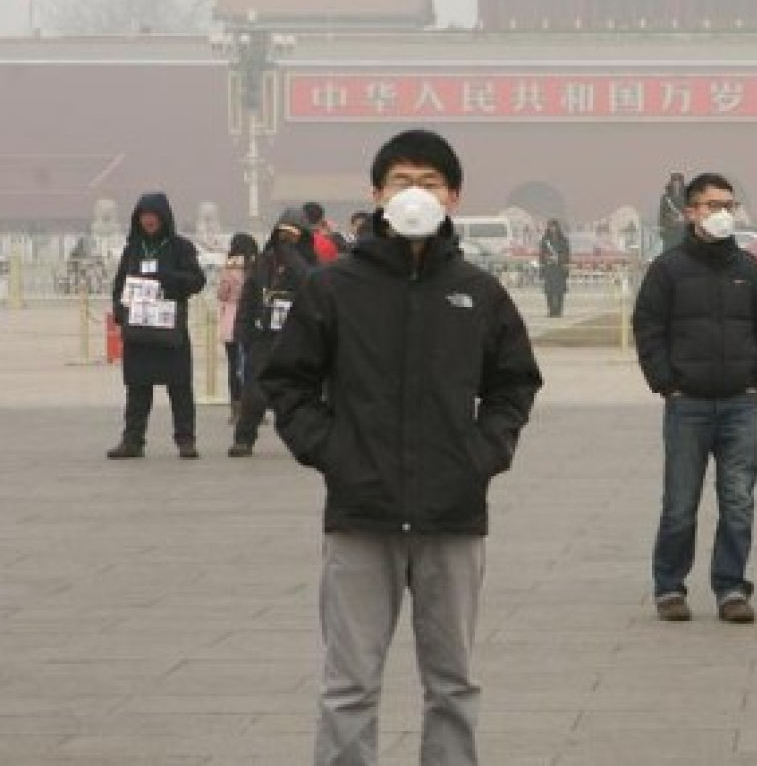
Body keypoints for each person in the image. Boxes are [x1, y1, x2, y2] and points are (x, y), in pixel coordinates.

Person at [260, 129, 542, 766]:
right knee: (349, 685)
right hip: (361, 514)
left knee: (453, 684)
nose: (415, 193)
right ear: (377, 193)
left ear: (455, 195)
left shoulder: (479, 292)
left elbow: (514, 383)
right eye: (401, 181)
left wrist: (483, 455)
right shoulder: (334, 289)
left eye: (430, 182)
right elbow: (287, 380)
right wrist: (331, 450)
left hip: (453, 516)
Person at [632, 172, 757, 624]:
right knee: (681, 502)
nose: (722, 214)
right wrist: (666, 382)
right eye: (713, 205)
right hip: (688, 404)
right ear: (691, 211)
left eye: (728, 206)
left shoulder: (748, 270)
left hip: (740, 402)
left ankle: (731, 587)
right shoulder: (669, 269)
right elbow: (649, 328)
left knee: (738, 500)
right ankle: (669, 587)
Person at [107, 192, 207, 459]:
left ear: (164, 218)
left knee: (180, 387)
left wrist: (168, 278)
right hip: (139, 330)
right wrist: (120, 310)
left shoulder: (180, 247)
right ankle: (133, 440)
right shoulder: (133, 249)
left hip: (170, 329)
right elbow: (119, 285)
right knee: (137, 388)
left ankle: (185, 440)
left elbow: (197, 280)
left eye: (153, 216)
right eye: (144, 216)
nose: (148, 221)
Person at [229, 209, 317, 457]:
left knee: (299, 394)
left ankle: (306, 441)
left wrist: (293, 258)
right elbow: (248, 298)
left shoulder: (310, 263)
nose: (287, 239)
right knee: (254, 392)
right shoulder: (263, 262)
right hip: (264, 336)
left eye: (293, 234)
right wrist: (242, 333)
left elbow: (311, 284)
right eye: (283, 234)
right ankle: (244, 438)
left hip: (298, 338)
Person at [217, 231, 259, 425]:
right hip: (252, 318)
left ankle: (236, 409)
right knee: (253, 365)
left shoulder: (230, 266)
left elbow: (222, 294)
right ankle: (255, 408)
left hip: (232, 319)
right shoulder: (258, 266)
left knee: (234, 366)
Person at [538, 219, 571, 318]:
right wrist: (545, 261)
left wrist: (560, 259)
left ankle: (559, 311)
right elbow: (541, 255)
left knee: (560, 291)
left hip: (559, 268)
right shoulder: (545, 240)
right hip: (549, 268)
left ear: (557, 227)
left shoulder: (563, 240)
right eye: (551, 226)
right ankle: (551, 311)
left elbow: (567, 254)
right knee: (549, 291)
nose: (553, 228)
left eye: (554, 226)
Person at [656, 172, 689, 252]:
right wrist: (662, 228)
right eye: (675, 181)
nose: (676, 184)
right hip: (669, 231)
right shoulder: (665, 198)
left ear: (682, 183)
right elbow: (661, 215)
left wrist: (684, 219)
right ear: (671, 183)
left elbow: (690, 213)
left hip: (682, 231)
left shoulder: (687, 197)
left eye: (678, 182)